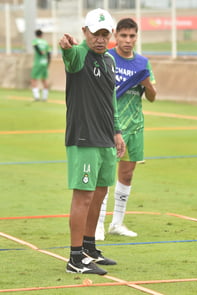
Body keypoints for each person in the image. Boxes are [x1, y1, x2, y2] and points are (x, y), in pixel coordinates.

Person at [59, 8, 125, 275]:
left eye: (104, 34)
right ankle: (75, 258)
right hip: (83, 137)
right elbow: (68, 54)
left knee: (99, 193)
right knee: (83, 196)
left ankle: (89, 248)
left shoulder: (109, 60)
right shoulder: (78, 55)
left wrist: (117, 131)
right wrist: (65, 46)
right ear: (84, 32)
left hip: (105, 138)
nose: (100, 38)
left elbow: (111, 101)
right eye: (95, 33)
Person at [95, 18, 157, 240]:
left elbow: (152, 97)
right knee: (104, 176)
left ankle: (117, 223)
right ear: (116, 35)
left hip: (135, 126)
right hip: (110, 125)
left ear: (136, 37)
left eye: (132, 36)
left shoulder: (142, 63)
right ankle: (98, 224)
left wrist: (147, 83)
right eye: (123, 36)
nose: (128, 40)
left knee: (127, 174)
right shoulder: (106, 58)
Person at [31, 29, 51, 101]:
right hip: (44, 63)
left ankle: (36, 96)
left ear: (36, 35)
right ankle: (45, 97)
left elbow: (36, 47)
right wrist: (48, 63)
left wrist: (40, 52)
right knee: (44, 80)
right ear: (42, 34)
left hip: (38, 63)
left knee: (34, 79)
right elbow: (49, 54)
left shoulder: (35, 41)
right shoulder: (45, 42)